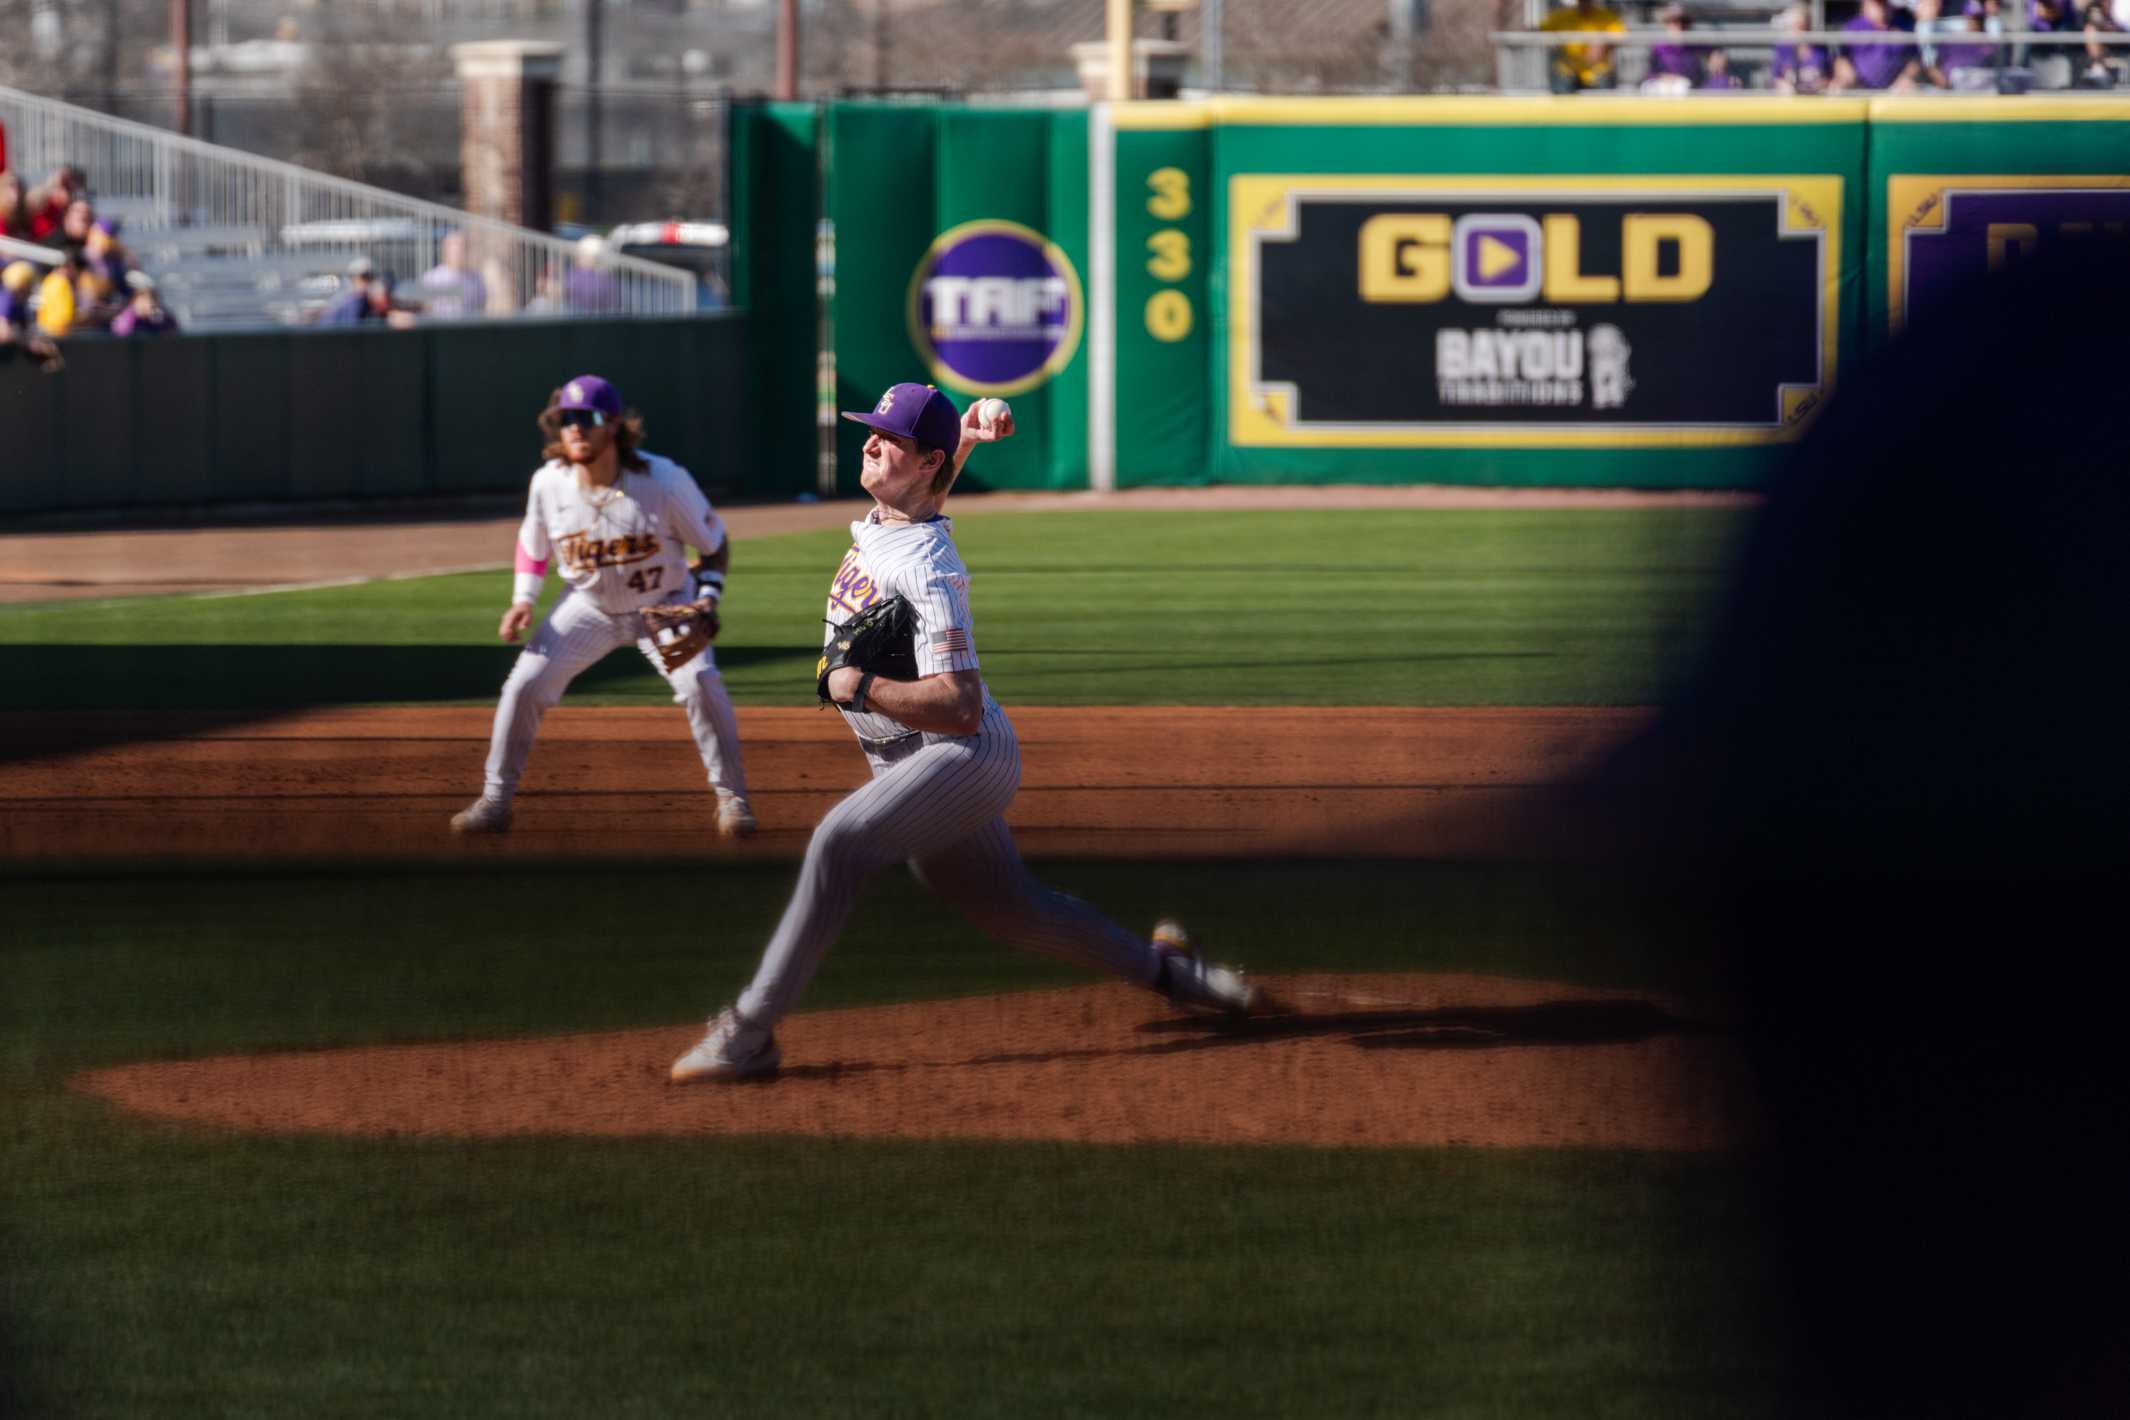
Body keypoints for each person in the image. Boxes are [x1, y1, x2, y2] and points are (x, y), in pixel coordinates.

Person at [669, 383, 1261, 1084]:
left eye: (888, 437)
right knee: (1019, 913)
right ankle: (1172, 974)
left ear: (924, 463)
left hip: (963, 756)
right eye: (872, 430)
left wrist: (856, 685)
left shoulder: (931, 566)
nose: (869, 441)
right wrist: (969, 434)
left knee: (839, 842)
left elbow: (961, 705)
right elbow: (929, 496)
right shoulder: (896, 516)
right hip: (906, 763)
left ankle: (749, 1033)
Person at [452, 374, 755, 839]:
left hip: (666, 602)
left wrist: (707, 597)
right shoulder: (548, 484)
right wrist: (523, 600)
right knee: (523, 687)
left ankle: (732, 800)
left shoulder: (663, 480)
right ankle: (495, 802)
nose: (575, 428)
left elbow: (714, 544)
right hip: (588, 606)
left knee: (699, 682)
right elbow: (533, 546)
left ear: (613, 426)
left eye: (587, 419)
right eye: (565, 420)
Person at [1832, 0, 1922, 89]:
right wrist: (1845, 75)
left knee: (1915, 91)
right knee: (1837, 90)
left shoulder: (1905, 25)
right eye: (1877, 4)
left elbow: (1916, 57)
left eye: (1884, 4)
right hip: (1859, 88)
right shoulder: (1853, 27)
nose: (1882, 8)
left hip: (1896, 91)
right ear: (1864, 4)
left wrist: (1907, 76)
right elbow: (1840, 57)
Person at [1539, 0, 1627, 91]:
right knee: (1560, 87)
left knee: (1603, 93)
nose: (1585, 3)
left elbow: (1620, 36)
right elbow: (1540, 31)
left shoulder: (1607, 17)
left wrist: (1603, 44)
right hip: (1567, 71)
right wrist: (1553, 41)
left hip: (1597, 71)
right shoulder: (1562, 15)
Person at [417, 230, 489, 320]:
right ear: (446, 250)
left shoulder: (476, 278)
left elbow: (481, 305)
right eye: (455, 248)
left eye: (463, 248)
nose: (459, 252)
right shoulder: (432, 278)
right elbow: (425, 308)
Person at [1770, 1, 1832, 90]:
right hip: (1791, 100)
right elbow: (1776, 78)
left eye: (1800, 24)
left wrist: (1819, 86)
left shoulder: (1819, 48)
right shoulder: (1783, 48)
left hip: (1816, 97)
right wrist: (1787, 88)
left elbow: (1829, 78)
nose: (1797, 29)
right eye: (1794, 25)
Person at [109, 270, 179, 337]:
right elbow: (123, 333)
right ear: (135, 299)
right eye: (146, 298)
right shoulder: (126, 319)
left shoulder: (159, 317)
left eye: (154, 298)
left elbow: (172, 330)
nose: (151, 303)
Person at [1647, 4, 1702, 82]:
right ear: (1667, 24)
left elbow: (1695, 76)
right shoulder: (1658, 47)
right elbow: (1651, 73)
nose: (1679, 25)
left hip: (1686, 86)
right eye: (1674, 21)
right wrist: (1665, 77)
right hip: (1662, 85)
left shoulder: (1694, 45)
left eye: (1683, 21)